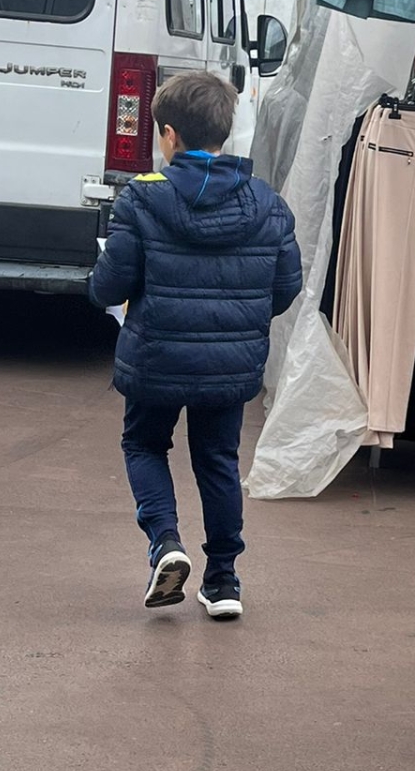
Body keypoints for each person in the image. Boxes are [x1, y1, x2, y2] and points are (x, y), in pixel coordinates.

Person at [89, 71, 302, 619]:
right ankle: (224, 580)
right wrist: (239, 320)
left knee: (144, 445)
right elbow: (286, 287)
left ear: (169, 134)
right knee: (218, 459)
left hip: (155, 355)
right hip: (231, 362)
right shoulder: (267, 203)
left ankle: (166, 542)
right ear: (224, 130)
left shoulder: (142, 199)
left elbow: (109, 287)